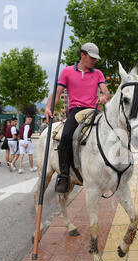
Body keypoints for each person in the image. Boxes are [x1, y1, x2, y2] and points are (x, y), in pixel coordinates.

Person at [45, 42, 110, 193]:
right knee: (66, 137)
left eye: (96, 58)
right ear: (82, 54)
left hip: (94, 111)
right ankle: (64, 176)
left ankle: (108, 171)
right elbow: (57, 93)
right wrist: (48, 108)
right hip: (76, 111)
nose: (94, 61)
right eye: (92, 57)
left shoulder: (98, 73)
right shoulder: (67, 72)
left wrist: (104, 96)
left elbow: (105, 91)